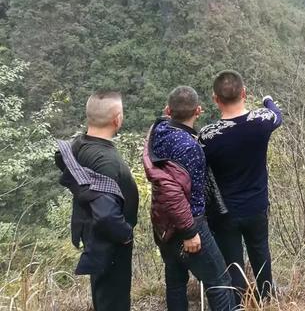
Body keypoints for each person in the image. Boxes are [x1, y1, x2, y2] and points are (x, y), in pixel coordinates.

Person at [144, 86, 235, 310]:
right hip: (189, 224)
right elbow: (178, 193)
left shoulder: (157, 132)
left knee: (176, 281)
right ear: (198, 111)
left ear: (168, 110)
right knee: (220, 282)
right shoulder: (190, 147)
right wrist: (190, 232)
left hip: (163, 222)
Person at [198, 70, 282, 305]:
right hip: (257, 205)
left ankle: (237, 303)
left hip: (225, 212)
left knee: (233, 261)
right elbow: (277, 114)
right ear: (244, 93)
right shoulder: (262, 121)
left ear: (215, 99)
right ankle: (266, 299)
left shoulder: (207, 136)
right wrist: (267, 100)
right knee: (260, 252)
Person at [55, 91, 139, 311]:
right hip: (110, 241)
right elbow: (106, 215)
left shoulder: (79, 145)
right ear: (117, 119)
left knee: (103, 296)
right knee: (114, 300)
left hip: (92, 232)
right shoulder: (107, 162)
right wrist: (125, 235)